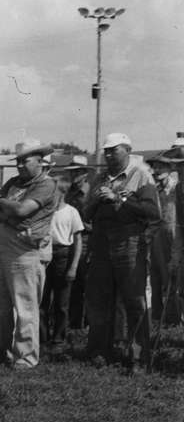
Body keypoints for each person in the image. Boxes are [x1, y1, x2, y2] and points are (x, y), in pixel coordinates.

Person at [81, 133, 160, 375]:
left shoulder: (141, 175)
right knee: (100, 299)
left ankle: (138, 357)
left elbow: (152, 212)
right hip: (101, 241)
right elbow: (86, 213)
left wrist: (119, 199)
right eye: (105, 151)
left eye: (113, 150)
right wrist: (97, 200)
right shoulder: (99, 177)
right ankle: (100, 352)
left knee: (134, 300)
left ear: (127, 150)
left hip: (130, 241)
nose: (107, 154)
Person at [0, 139, 57, 369]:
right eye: (17, 161)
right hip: (5, 244)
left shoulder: (46, 185)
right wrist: (10, 216)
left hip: (26, 250)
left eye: (24, 161)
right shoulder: (14, 182)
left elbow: (23, 209)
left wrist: (3, 204)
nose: (19, 166)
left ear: (39, 160)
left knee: (25, 306)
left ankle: (25, 357)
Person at [40, 171, 84, 347]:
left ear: (62, 192)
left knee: (61, 302)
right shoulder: (44, 212)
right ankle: (42, 338)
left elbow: (78, 241)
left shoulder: (71, 212)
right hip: (44, 255)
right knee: (42, 300)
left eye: (54, 191)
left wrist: (73, 266)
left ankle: (59, 338)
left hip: (63, 255)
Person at [62, 155, 94, 328]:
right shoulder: (69, 194)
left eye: (77, 172)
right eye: (72, 172)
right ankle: (75, 325)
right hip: (71, 242)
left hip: (88, 242)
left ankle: (89, 325)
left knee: (89, 287)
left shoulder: (91, 193)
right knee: (74, 287)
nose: (74, 176)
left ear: (84, 173)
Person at [148, 153, 179, 326]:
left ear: (169, 169)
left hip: (173, 235)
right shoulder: (155, 189)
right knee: (156, 277)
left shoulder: (175, 188)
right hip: (157, 236)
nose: (157, 170)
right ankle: (158, 319)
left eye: (161, 166)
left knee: (171, 278)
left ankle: (173, 320)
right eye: (155, 166)